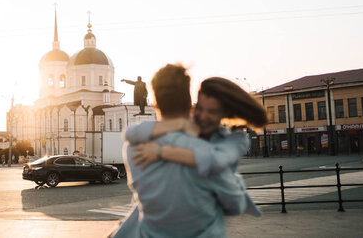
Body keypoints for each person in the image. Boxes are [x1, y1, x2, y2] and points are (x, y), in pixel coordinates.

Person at [112, 64, 262, 238]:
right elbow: (234, 204)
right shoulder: (206, 151)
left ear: (154, 104)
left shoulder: (133, 148)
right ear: (190, 106)